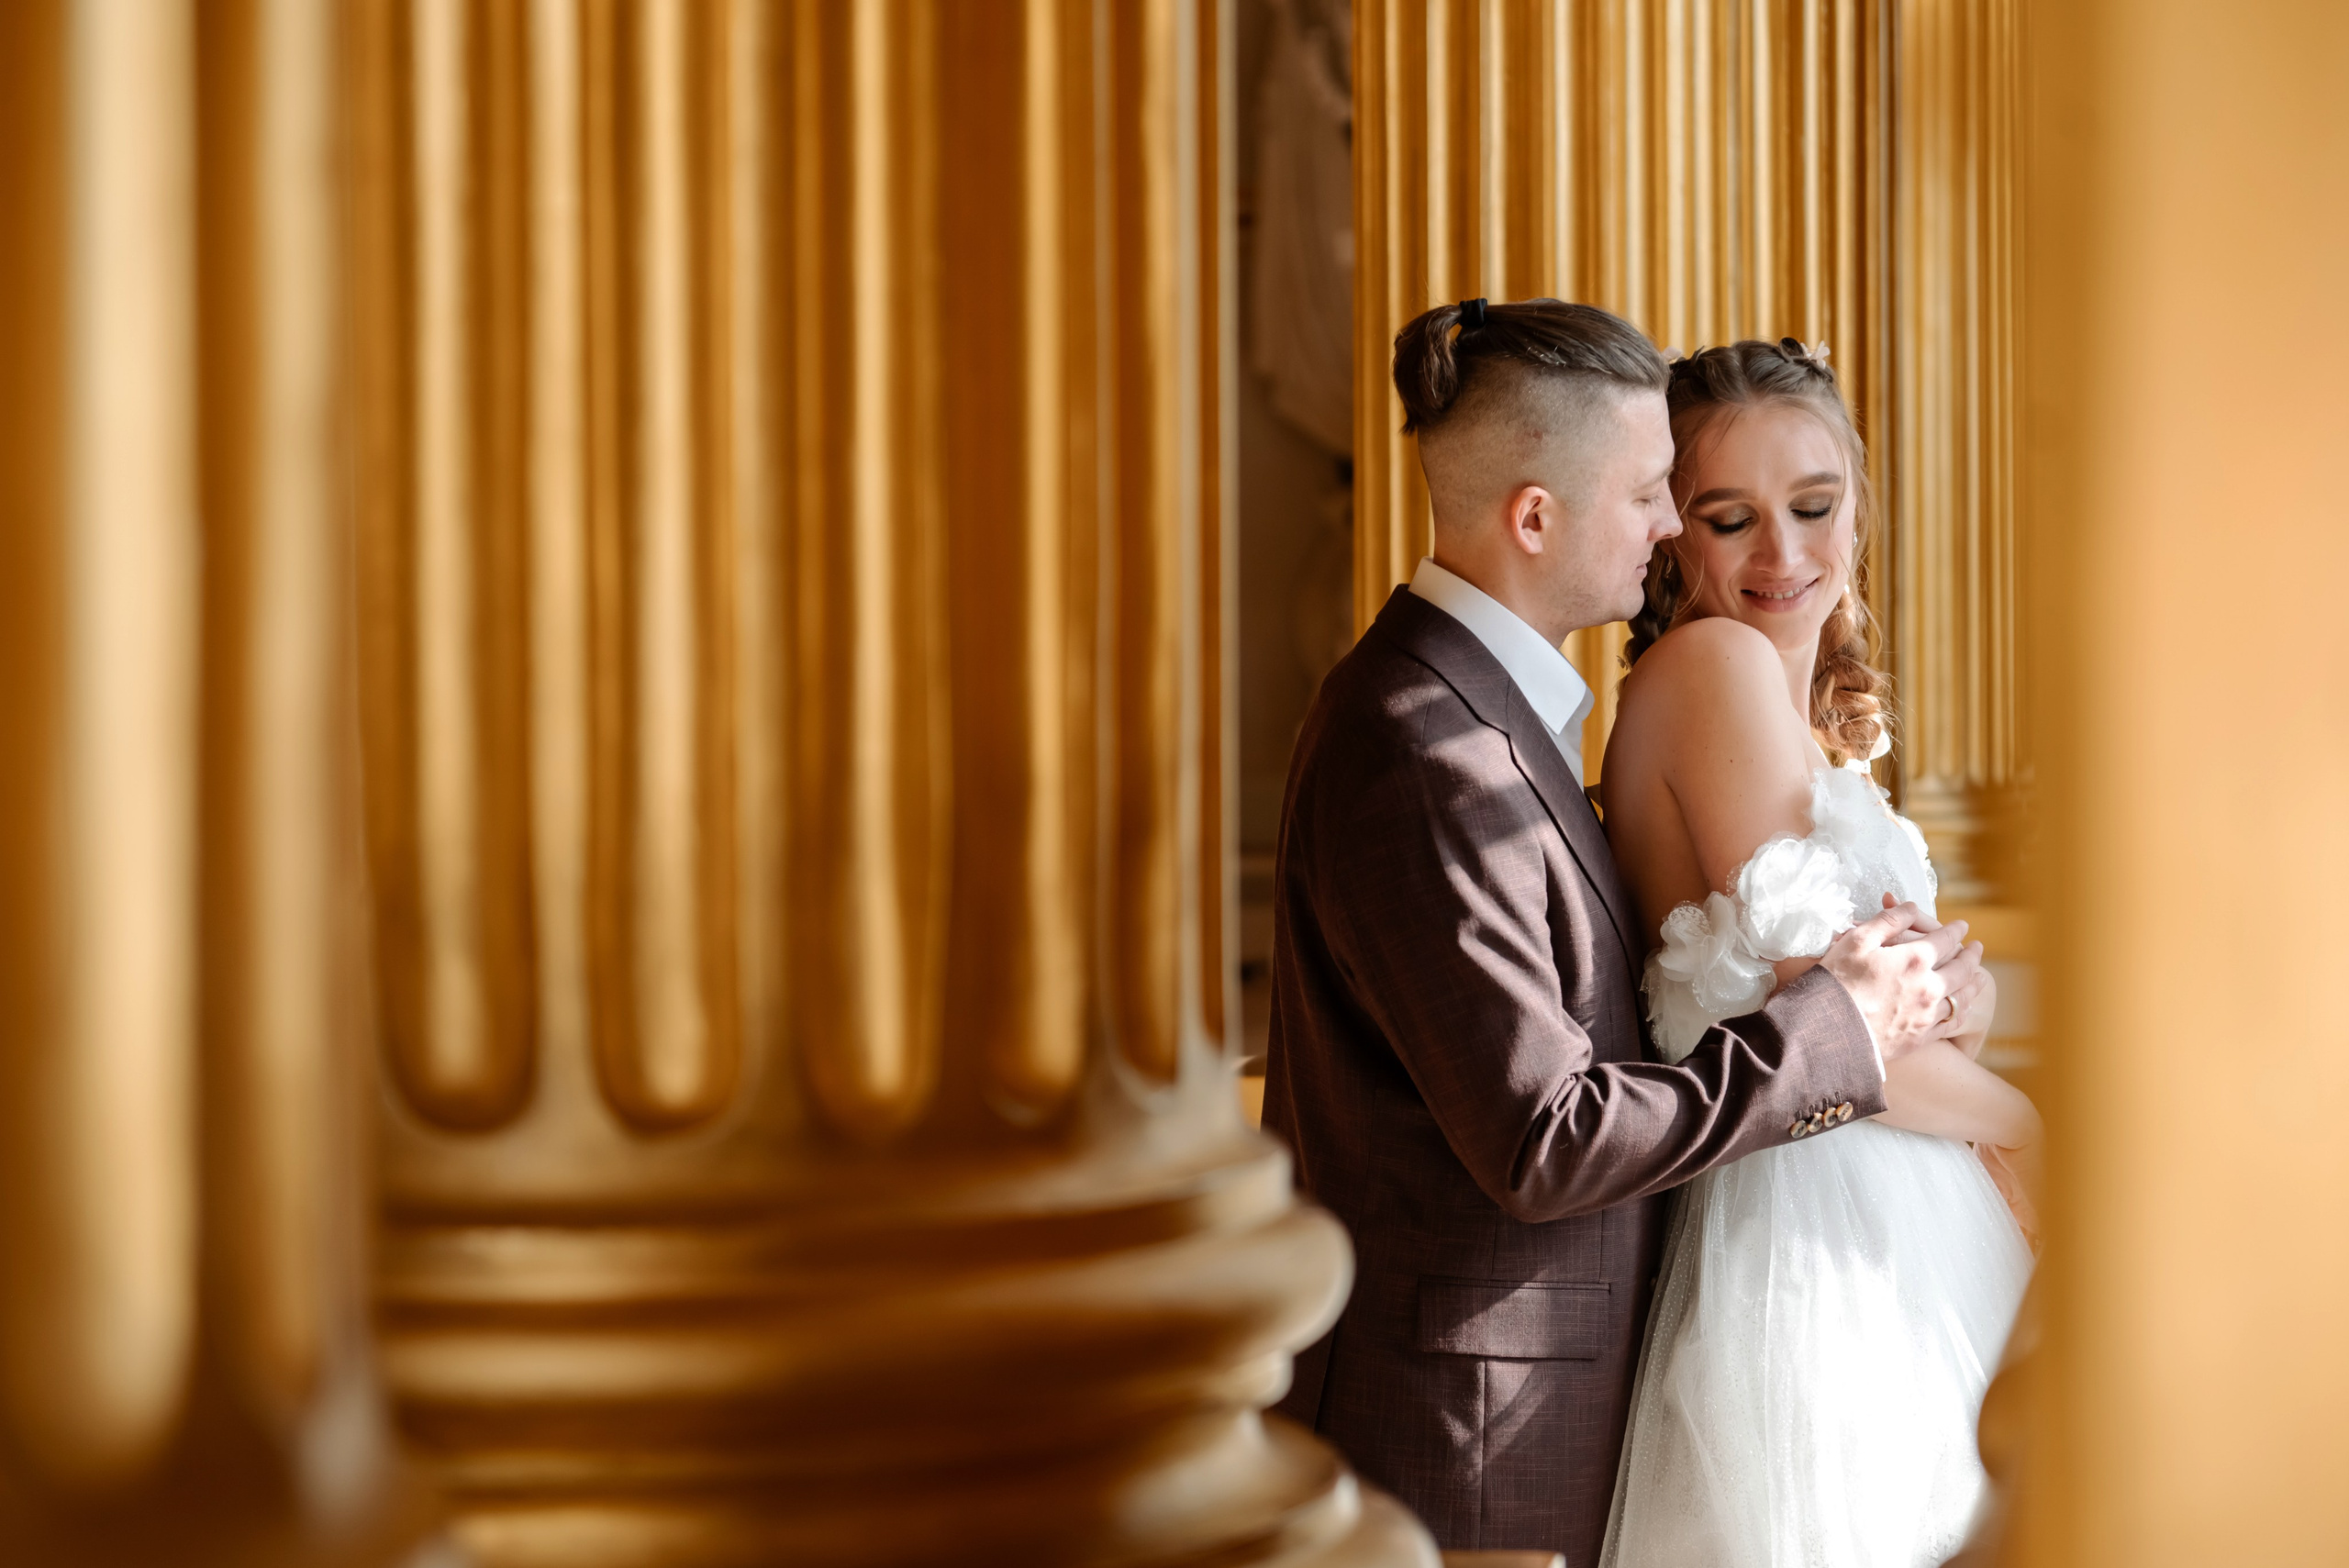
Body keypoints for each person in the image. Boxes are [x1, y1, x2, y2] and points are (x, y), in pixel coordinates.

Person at [1259, 297, 1987, 1562]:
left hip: (1532, 1397)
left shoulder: (1485, 712)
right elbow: (1543, 1134)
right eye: (1655, 493)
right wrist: (1843, 1030)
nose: (1665, 527)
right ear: (1535, 517)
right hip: (1462, 1430)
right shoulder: (1425, 745)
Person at [1594, 339, 2037, 1567]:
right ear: (1669, 532)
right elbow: (1834, 1030)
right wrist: (2035, 1129)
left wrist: (1962, 1002)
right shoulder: (1715, 666)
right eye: (1730, 519)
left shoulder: (1785, 708)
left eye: (1813, 505)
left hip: (1880, 1202)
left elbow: (1882, 1012)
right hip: (1824, 1232)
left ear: (1857, 504)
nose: (1783, 554)